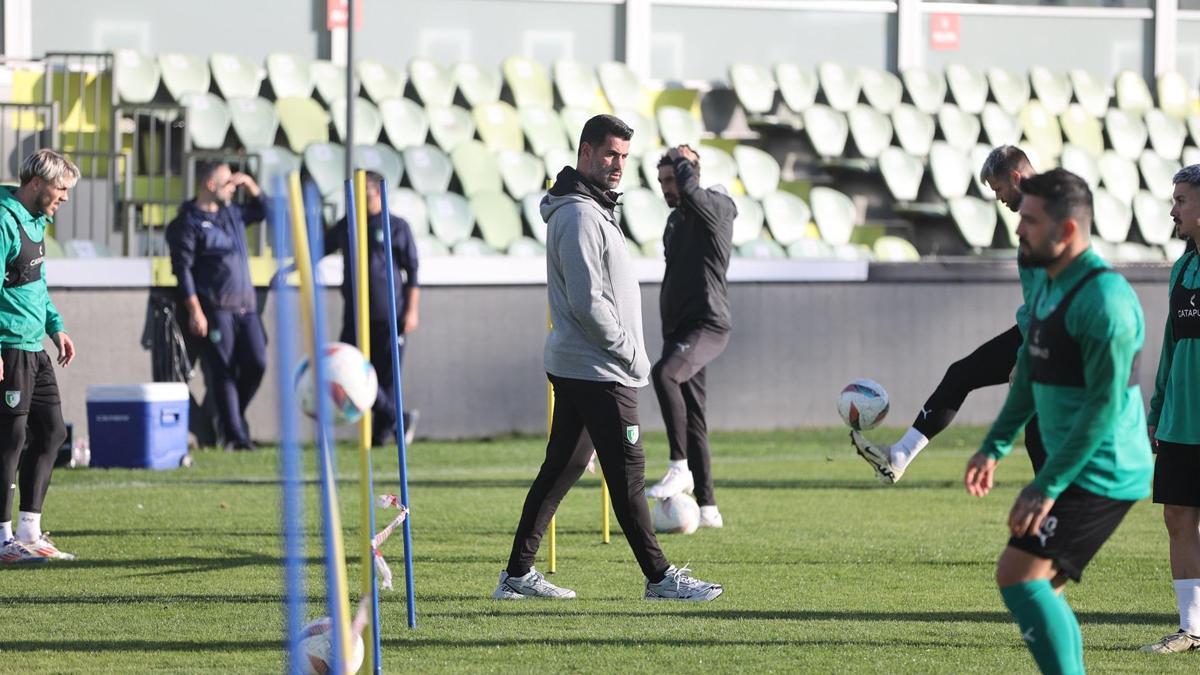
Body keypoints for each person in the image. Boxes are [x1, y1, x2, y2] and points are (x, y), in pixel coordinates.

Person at [493, 114, 722, 601]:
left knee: (562, 467)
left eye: (623, 156)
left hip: (584, 364)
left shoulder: (591, 208)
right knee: (629, 475)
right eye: (610, 154)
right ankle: (660, 578)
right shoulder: (578, 214)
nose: (618, 164)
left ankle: (516, 576)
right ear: (586, 153)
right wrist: (631, 354)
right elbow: (588, 302)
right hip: (600, 368)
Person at [963, 169, 1152, 674]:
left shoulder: (1105, 301)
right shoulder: (1048, 285)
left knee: (1020, 577)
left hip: (1106, 471)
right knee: (1036, 583)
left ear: (1066, 231)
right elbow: (1027, 373)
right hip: (1078, 464)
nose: (1019, 229)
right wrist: (995, 446)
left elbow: (1103, 407)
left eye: (1030, 220)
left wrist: (1045, 485)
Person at [853, 145, 1046, 483]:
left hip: (1055, 337)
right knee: (962, 375)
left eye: (999, 188)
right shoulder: (1040, 214)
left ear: (1016, 177)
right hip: (1038, 329)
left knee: (1040, 434)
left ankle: (1061, 516)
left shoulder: (1048, 218)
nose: (998, 198)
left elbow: (1055, 295)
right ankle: (899, 456)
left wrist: (1028, 355)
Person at [644, 145, 736, 529]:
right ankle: (709, 508)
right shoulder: (675, 221)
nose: (667, 187)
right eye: (662, 180)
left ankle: (679, 466)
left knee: (663, 375)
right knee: (694, 415)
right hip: (679, 329)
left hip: (708, 324)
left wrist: (684, 163)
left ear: (690, 175)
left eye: (673, 179)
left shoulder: (716, 206)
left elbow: (696, 195)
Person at [0, 149, 79, 563]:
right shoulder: (3, 220)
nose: (65, 197)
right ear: (36, 183)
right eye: (61, 188)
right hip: (8, 345)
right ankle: (1, 538)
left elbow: (35, 285)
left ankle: (30, 530)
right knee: (8, 440)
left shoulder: (38, 221)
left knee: (51, 432)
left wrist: (56, 327)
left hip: (34, 346)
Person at [165, 161, 266, 451]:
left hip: (246, 308)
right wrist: (195, 309)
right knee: (222, 372)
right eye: (228, 183)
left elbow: (267, 212)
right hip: (216, 309)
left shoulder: (231, 214)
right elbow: (182, 270)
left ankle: (227, 418)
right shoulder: (187, 223)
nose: (234, 188)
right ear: (210, 185)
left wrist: (251, 186)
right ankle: (234, 436)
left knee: (257, 363)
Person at [1142, 164, 1200, 654]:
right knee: (1179, 519)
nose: (1173, 209)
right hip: (1182, 420)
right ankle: (1191, 629)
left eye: (1181, 199)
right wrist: (1158, 407)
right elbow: (1170, 344)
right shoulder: (1182, 269)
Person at [324, 171, 420, 447]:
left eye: (362, 194)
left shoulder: (397, 226)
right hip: (354, 315)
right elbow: (317, 247)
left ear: (377, 193)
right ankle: (399, 418)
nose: (356, 200)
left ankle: (381, 435)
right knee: (348, 369)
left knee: (387, 377)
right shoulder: (348, 225)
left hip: (389, 314)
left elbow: (413, 272)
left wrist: (411, 310)